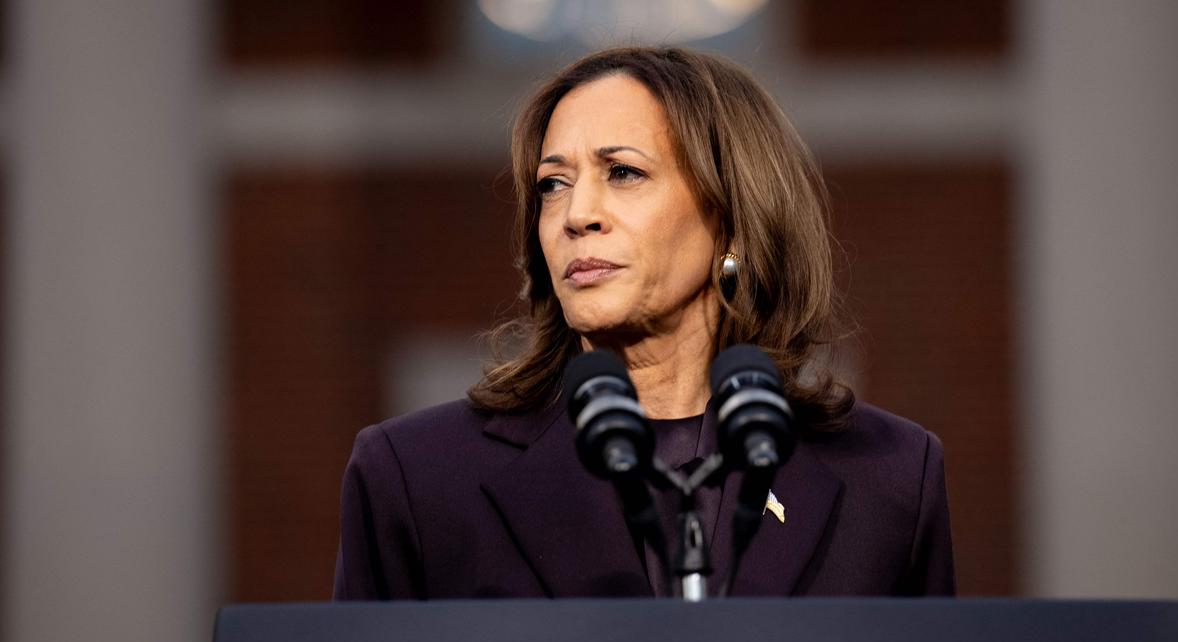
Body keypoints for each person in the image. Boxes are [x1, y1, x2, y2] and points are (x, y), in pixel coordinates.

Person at [333, 47, 954, 600]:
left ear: (732, 215)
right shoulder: (416, 477)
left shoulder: (891, 477)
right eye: (553, 185)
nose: (577, 215)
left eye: (623, 172)